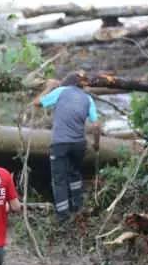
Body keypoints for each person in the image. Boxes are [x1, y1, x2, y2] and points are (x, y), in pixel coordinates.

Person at [35, 72, 100, 222]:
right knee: (74, 174)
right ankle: (77, 207)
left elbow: (37, 103)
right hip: (79, 145)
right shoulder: (88, 98)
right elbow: (96, 125)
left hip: (60, 144)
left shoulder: (60, 91)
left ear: (67, 83)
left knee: (59, 179)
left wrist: (49, 87)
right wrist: (96, 144)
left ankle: (63, 216)